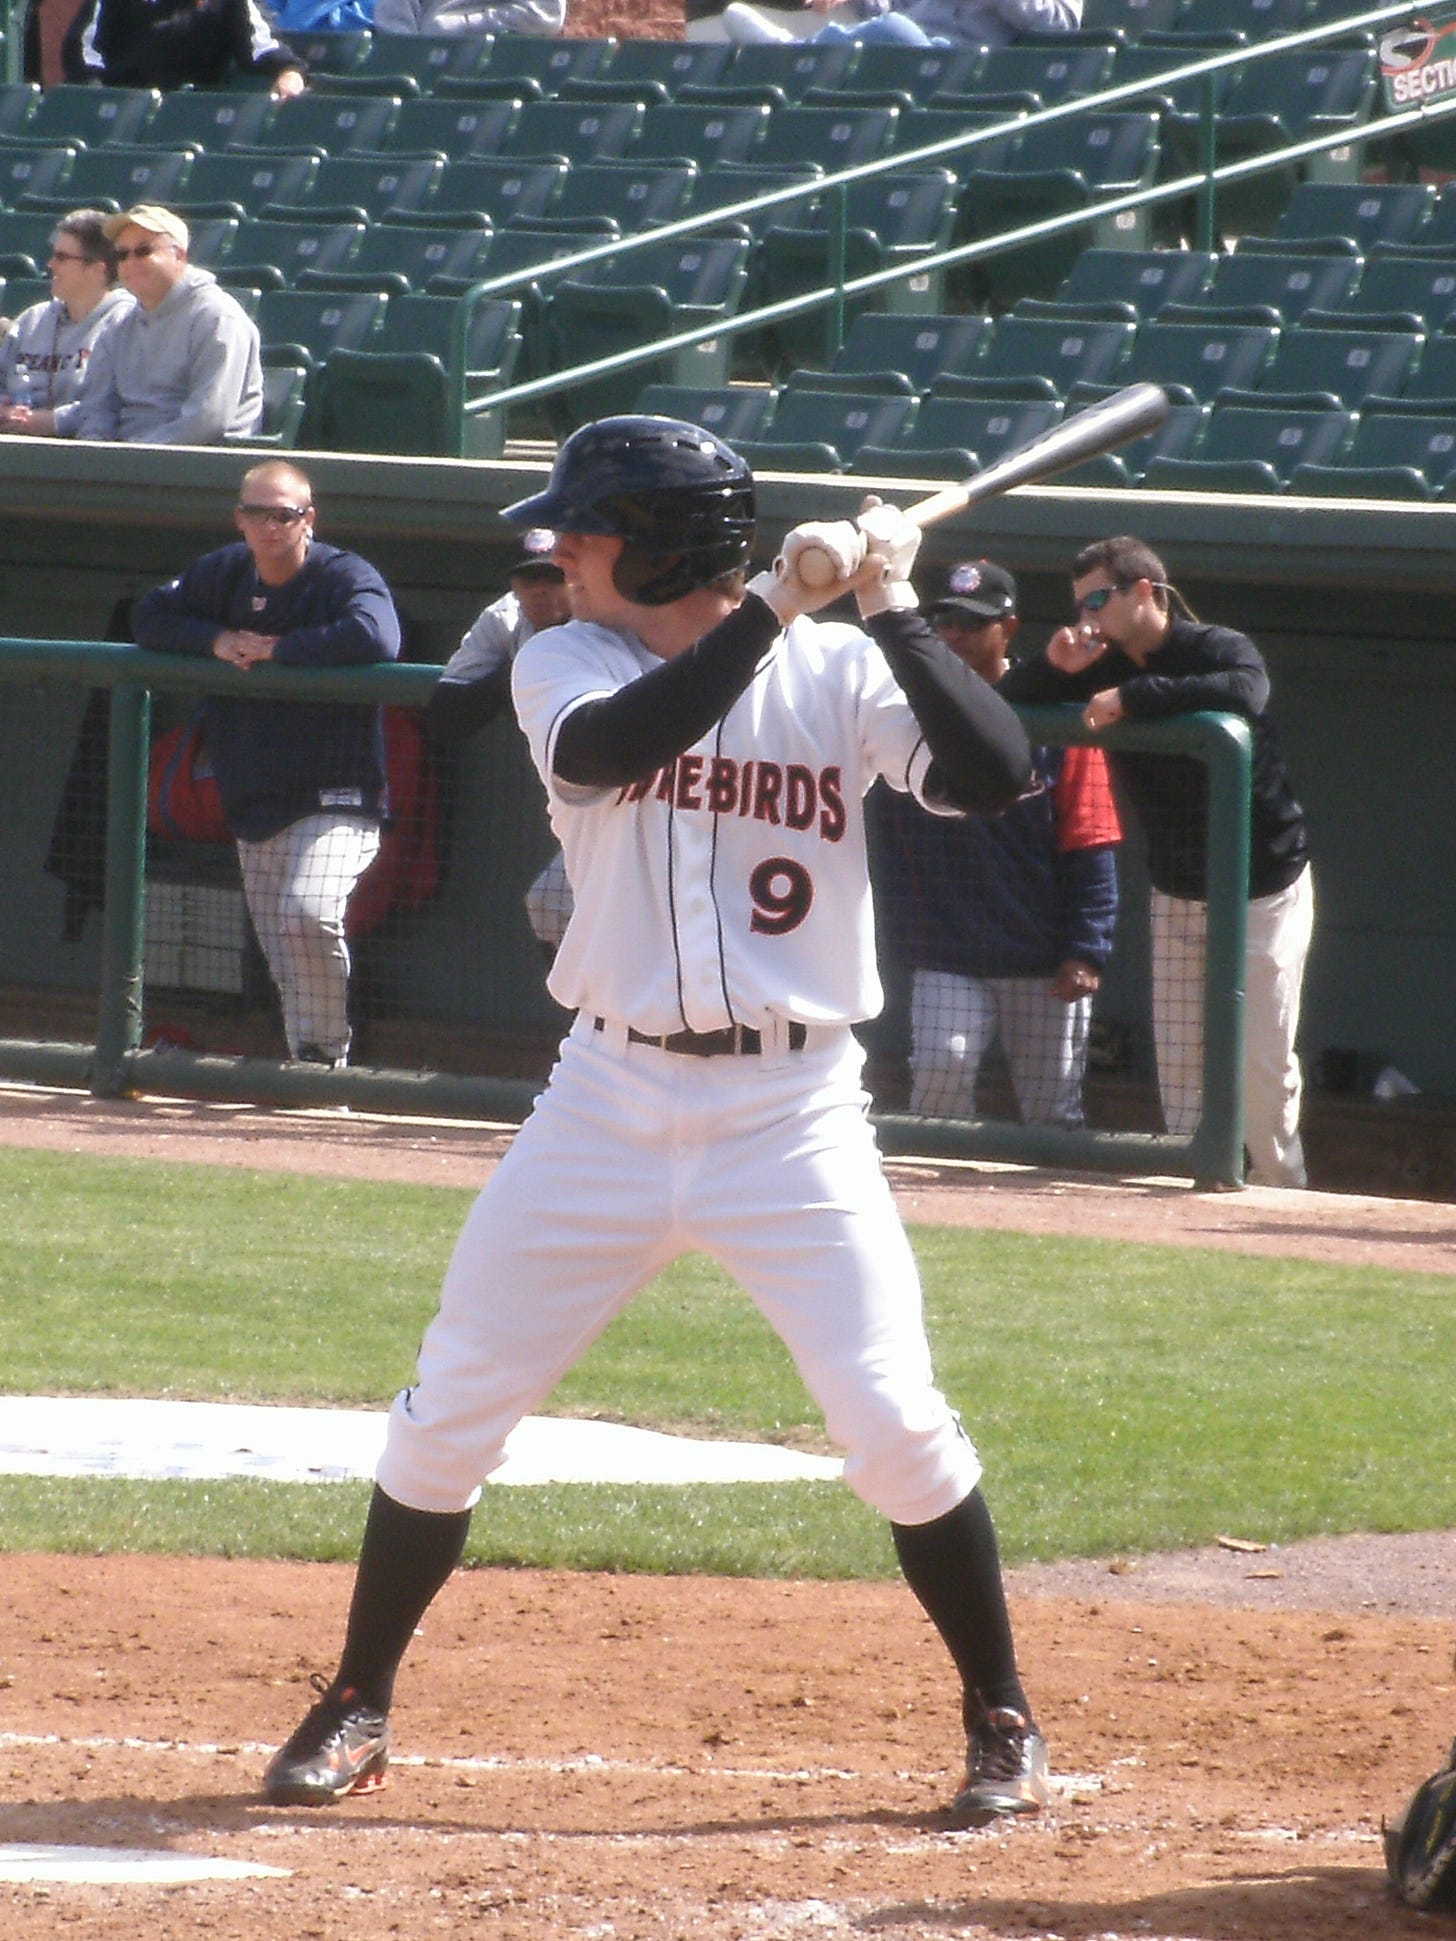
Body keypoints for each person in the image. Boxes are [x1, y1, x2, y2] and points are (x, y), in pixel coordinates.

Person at [260, 415, 1052, 1831]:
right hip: (607, 1100)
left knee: (894, 1427)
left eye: (589, 526)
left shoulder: (836, 665)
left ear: (664, 541)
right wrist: (771, 605)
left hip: (796, 1113)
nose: (558, 545)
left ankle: (1002, 1714)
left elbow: (997, 776)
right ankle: (359, 1695)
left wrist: (893, 605)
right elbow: (630, 741)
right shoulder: (564, 655)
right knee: (451, 1410)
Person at [999, 533, 1314, 1189]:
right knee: (1179, 1070)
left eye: (1098, 598)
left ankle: (1283, 1195)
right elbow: (1009, 702)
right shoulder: (1096, 658)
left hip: (1264, 888)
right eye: (1080, 603)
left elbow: (1245, 691)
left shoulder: (1214, 644)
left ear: (1144, 589)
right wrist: (1054, 667)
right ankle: (1198, 1202)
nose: (1088, 615)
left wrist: (1136, 699)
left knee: (1262, 1067)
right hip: (1176, 889)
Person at [132, 460, 402, 1067]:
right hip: (255, 798)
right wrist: (214, 640)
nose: (271, 525)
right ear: (241, 519)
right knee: (286, 955)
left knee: (307, 915)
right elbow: (149, 615)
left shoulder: (342, 574)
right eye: (258, 513)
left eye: (285, 513)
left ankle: (325, 1064)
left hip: (338, 795)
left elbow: (377, 637)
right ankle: (310, 1073)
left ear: (309, 518)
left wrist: (281, 649)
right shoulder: (224, 571)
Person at [873, 558, 1120, 1126]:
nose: (954, 635)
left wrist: (1086, 949)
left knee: (1051, 1109)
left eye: (970, 622)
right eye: (945, 622)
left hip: (1041, 957)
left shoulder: (1057, 720)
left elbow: (1092, 841)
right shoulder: (907, 712)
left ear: (1007, 628)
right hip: (946, 950)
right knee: (939, 1076)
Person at [425, 526, 574, 955]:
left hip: (647, 791)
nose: (541, 592)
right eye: (531, 580)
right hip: (579, 801)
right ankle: (591, 1021)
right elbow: (446, 716)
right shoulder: (506, 621)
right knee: (551, 906)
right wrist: (518, 672)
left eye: (554, 577)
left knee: (558, 904)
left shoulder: (604, 616)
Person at [58, 205, 263, 446]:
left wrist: (137, 455)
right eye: (122, 255)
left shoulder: (217, 318)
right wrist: (95, 450)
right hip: (126, 463)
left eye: (143, 251)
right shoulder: (119, 325)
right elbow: (98, 407)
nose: (130, 261)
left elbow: (208, 419)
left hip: (198, 462)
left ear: (180, 256)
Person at [0, 210, 133, 437]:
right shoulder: (33, 319)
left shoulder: (126, 323)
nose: (50, 264)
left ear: (97, 270)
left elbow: (113, 405)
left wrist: (50, 422)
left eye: (62, 258)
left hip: (84, 455)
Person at [62, 0, 306, 94]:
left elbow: (263, 46)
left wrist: (289, 72)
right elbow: (83, 52)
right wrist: (97, 94)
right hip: (123, 101)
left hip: (192, 110)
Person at [721, 0, 1081, 50]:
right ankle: (800, 52)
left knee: (895, 29)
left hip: (963, 62)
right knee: (893, 26)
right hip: (908, 41)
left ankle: (793, 51)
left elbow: (1059, 25)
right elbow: (889, 6)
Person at [373, 0, 564, 33]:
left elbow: (545, 15)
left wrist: (458, 27)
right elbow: (392, 19)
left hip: (492, 71)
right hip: (421, 71)